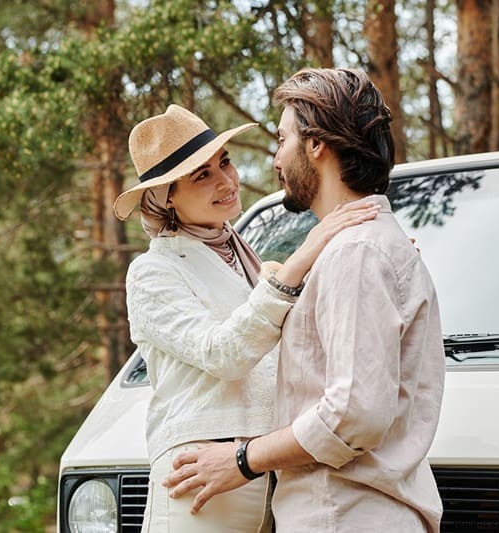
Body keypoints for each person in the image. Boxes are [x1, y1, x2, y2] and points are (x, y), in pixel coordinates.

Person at [163, 68, 446, 532]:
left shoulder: (357, 252)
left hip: (344, 516)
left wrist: (242, 459)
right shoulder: (359, 247)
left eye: (282, 139)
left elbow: (355, 412)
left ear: (316, 145)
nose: (275, 159)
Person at [113, 103, 380, 532]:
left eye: (225, 162)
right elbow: (224, 353)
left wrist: (372, 261)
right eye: (202, 175)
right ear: (166, 199)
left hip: (266, 470)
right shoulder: (152, 272)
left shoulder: (242, 254)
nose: (226, 181)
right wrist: (300, 259)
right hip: (198, 478)